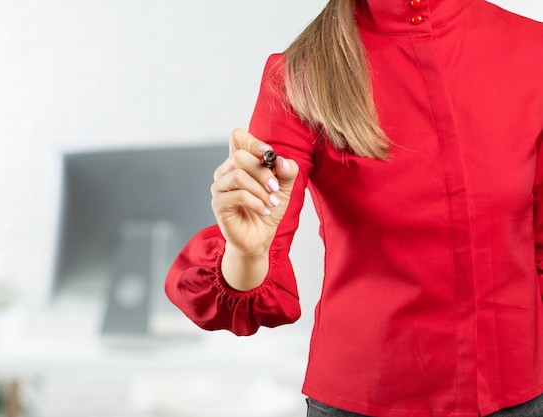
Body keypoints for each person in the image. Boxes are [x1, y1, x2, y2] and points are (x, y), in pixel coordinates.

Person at [165, 0, 543, 415]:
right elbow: (259, 256)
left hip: (521, 396)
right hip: (363, 399)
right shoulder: (301, 75)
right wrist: (246, 252)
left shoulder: (532, 49)